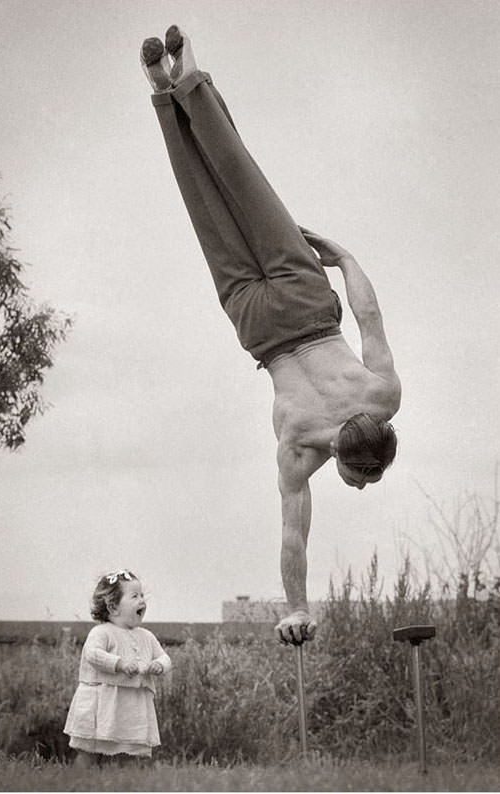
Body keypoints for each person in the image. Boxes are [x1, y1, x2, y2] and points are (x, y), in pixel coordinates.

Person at [140, 28, 401, 646]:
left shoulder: (384, 397)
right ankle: (162, 91)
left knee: (240, 179)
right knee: (205, 203)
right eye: (364, 479)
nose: (361, 488)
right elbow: (293, 534)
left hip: (307, 301)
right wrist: (297, 608)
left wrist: (344, 256)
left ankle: (186, 75)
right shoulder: (299, 451)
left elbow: (368, 316)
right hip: (258, 324)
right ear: (340, 455)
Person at [64, 569, 171, 766]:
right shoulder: (102, 632)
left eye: (142, 596)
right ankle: (81, 781)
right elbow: (93, 654)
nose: (142, 601)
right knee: (90, 749)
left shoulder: (146, 636)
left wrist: (158, 665)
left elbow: (165, 657)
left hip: (130, 706)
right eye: (134, 596)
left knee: (128, 750)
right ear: (113, 607)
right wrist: (119, 663)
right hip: (102, 703)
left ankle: (120, 783)